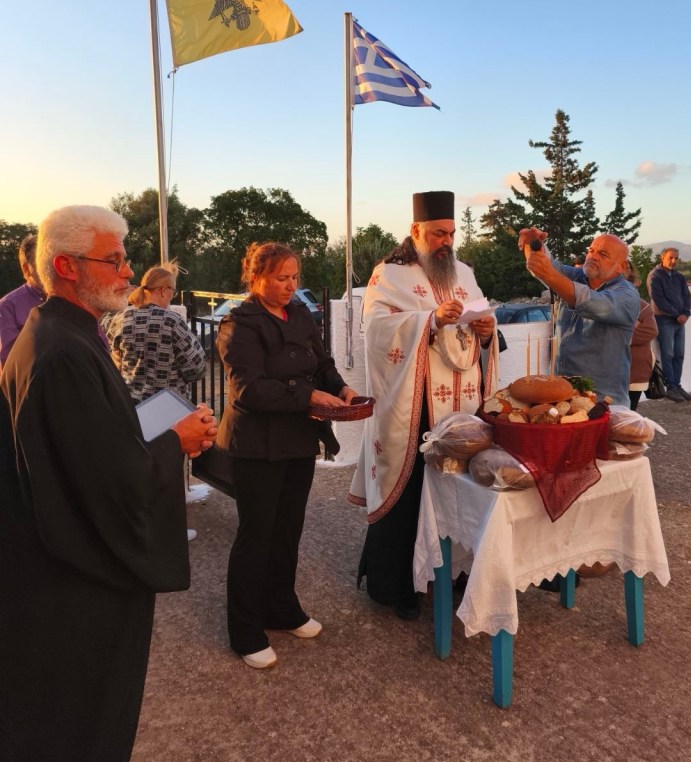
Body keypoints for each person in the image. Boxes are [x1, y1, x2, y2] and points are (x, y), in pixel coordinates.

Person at [0, 205, 218, 762]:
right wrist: (176, 442)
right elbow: (106, 482)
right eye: (114, 260)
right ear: (66, 266)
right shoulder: (62, 351)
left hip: (59, 571)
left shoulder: (58, 332)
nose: (127, 272)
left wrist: (153, 432)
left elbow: (88, 441)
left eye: (125, 259)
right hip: (79, 583)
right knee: (81, 721)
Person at [349, 191, 498, 620]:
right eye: (437, 234)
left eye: (450, 234)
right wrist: (430, 320)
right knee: (409, 495)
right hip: (414, 409)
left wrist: (487, 331)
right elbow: (376, 331)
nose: (446, 242)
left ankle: (451, 573)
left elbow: (482, 328)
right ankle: (396, 586)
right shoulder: (390, 274)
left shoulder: (464, 273)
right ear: (416, 230)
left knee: (459, 491)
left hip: (461, 408)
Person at [216, 242, 357, 671]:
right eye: (281, 278)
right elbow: (249, 389)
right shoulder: (238, 323)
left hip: (298, 439)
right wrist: (308, 395)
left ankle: (281, 608)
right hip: (255, 444)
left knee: (288, 530)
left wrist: (341, 388)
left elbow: (322, 364)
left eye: (294, 277)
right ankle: (244, 629)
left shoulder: (299, 314)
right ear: (255, 278)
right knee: (256, 535)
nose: (290, 286)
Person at [519, 228, 639, 408]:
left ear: (621, 266)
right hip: (562, 397)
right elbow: (545, 266)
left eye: (603, 254)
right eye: (591, 250)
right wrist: (531, 243)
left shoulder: (627, 295)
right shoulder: (579, 276)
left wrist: (549, 274)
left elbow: (586, 300)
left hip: (603, 403)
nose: (593, 256)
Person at [104, 260, 206, 402]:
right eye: (173, 292)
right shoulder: (172, 321)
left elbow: (110, 356)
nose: (172, 296)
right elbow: (197, 369)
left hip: (131, 404)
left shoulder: (121, 318)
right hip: (170, 405)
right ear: (163, 290)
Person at [647, 247, 691, 402]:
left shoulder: (679, 277)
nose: (673, 261)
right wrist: (676, 314)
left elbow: (687, 297)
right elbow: (658, 299)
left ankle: (677, 385)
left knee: (679, 354)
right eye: (670, 257)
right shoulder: (655, 276)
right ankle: (670, 388)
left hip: (680, 321)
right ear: (663, 257)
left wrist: (686, 313)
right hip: (664, 320)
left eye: (676, 258)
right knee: (668, 355)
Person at [0, 233, 45, 368]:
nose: (50, 268)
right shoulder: (7, 307)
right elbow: (9, 362)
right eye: (42, 263)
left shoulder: (72, 298)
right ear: (26, 269)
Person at [625, 259, 658, 410]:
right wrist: (633, 326)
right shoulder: (603, 303)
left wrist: (619, 335)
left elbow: (650, 331)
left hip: (636, 368)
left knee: (630, 411)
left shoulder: (643, 307)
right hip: (610, 370)